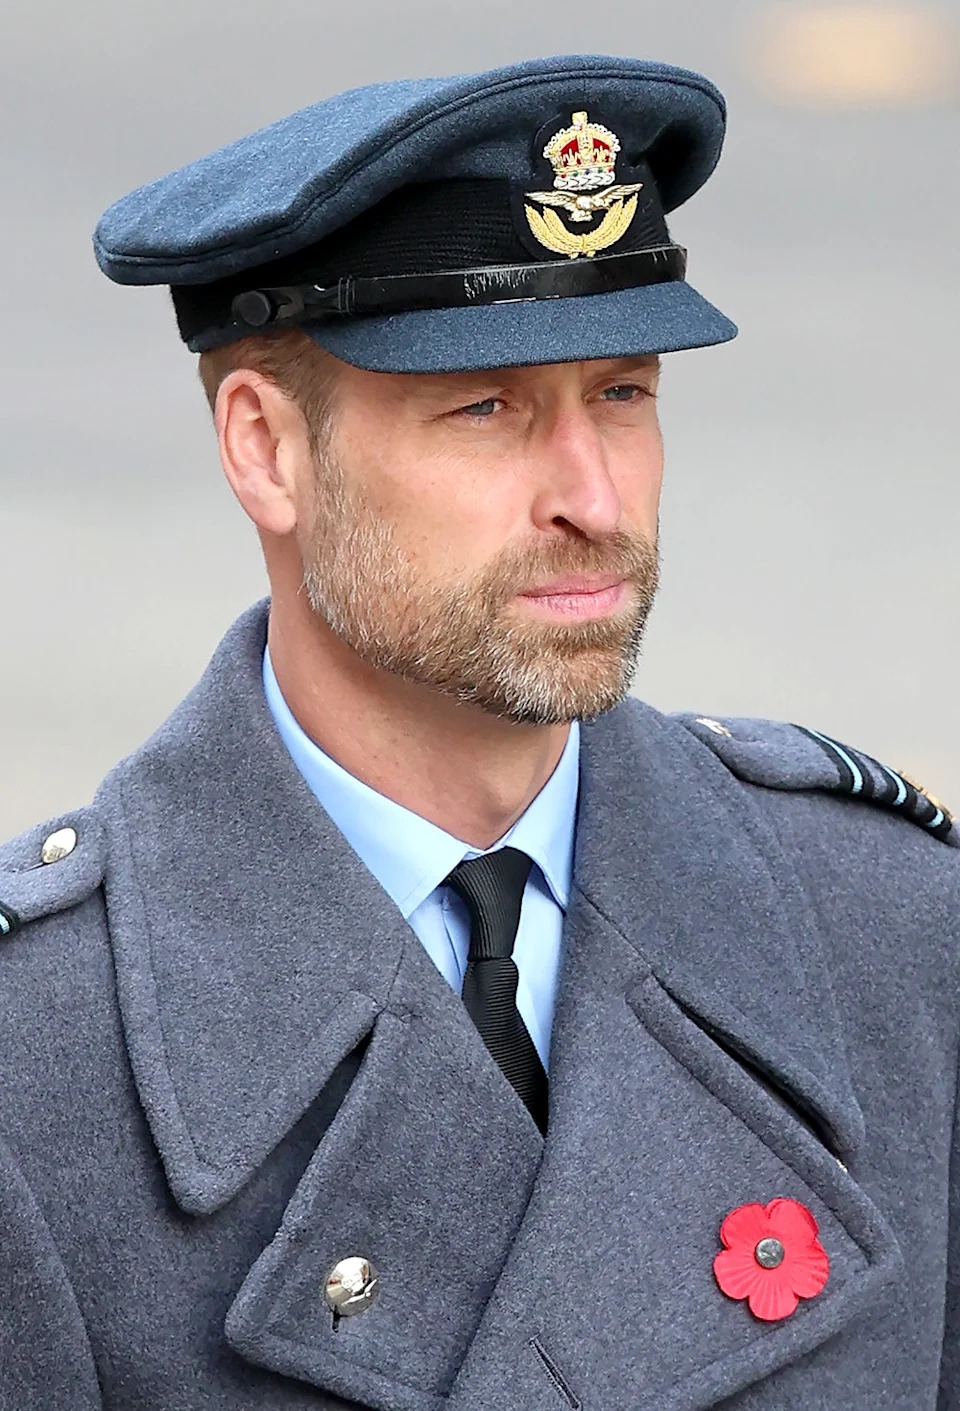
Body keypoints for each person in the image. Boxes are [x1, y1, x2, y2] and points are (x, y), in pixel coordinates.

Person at [0, 52, 956, 1411]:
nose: (593, 497)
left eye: (622, 393)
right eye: (487, 408)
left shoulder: (898, 942)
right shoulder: (37, 1066)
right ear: (268, 449)